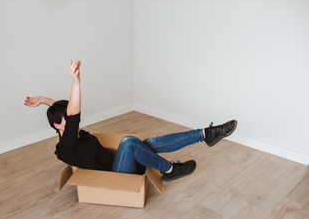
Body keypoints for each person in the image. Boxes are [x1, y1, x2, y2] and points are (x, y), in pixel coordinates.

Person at [25, 60, 237, 181]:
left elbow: (64, 114)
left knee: (149, 143)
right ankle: (170, 169)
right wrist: (76, 82)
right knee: (128, 141)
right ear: (58, 125)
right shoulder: (66, 147)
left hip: (124, 161)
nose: (74, 121)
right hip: (117, 174)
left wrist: (44, 100)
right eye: (67, 120)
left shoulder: (74, 133)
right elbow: (71, 116)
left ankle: (205, 135)